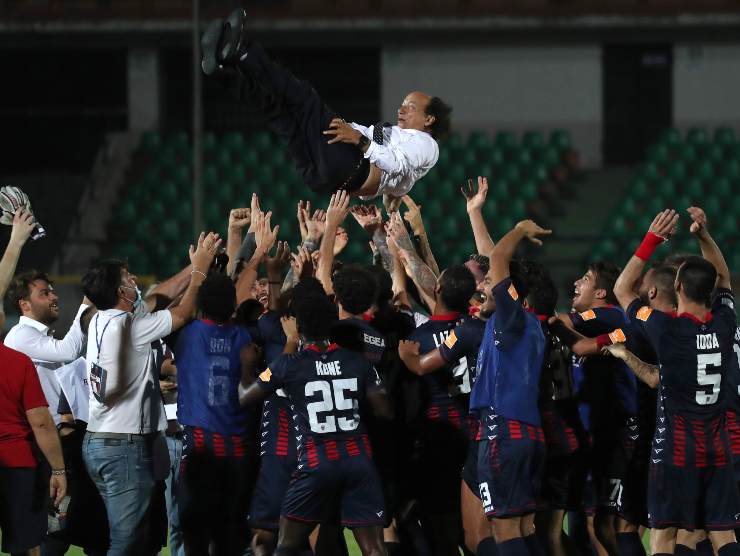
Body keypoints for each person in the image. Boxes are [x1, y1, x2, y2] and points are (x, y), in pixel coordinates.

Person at [201, 9, 451, 210]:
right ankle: (223, 72)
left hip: (348, 165)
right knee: (276, 110)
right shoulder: (398, 138)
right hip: (324, 176)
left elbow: (396, 165)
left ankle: (242, 52)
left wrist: (360, 141)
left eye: (411, 106)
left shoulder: (427, 144)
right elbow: (395, 175)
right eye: (403, 104)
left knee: (303, 97)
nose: (402, 108)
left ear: (429, 118)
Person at [80, 232, 221, 556]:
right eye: (129, 278)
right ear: (121, 291)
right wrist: (199, 273)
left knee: (143, 536)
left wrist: (195, 263)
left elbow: (157, 298)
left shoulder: (103, 320)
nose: (135, 281)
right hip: (125, 445)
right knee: (127, 542)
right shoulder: (131, 327)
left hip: (105, 439)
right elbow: (182, 312)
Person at [612, 208, 740, 556]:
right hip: (718, 448)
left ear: (678, 286)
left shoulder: (664, 330)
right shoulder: (725, 323)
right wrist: (702, 236)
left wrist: (652, 238)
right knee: (722, 534)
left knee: (664, 536)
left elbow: (622, 289)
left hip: (676, 449)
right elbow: (725, 279)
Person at [239, 285, 393, 556]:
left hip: (316, 462)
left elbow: (245, 396)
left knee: (286, 544)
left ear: (298, 327)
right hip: (359, 461)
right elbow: (384, 410)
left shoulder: (289, 364)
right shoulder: (357, 362)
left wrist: (247, 365)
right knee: (374, 549)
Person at [472, 219, 551, 556]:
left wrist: (519, 229)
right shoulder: (529, 324)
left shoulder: (510, 317)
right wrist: (475, 214)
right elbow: (496, 260)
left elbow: (498, 261)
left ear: (507, 291)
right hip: (530, 434)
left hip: (502, 432)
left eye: (488, 282)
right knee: (525, 526)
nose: (481, 287)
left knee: (503, 529)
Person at [397, 265, 488, 556]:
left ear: (437, 289)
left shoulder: (418, 338)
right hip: (475, 434)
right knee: (478, 527)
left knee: (441, 526)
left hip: (438, 439)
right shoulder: (478, 329)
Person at [557, 260, 638, 556]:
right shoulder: (593, 326)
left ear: (602, 292)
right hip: (587, 436)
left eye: (586, 279)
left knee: (600, 525)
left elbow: (566, 322)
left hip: (610, 435)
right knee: (580, 526)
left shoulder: (610, 314)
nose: (577, 283)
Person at [175, 272, 257, 555]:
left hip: (200, 446)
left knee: (194, 534)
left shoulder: (186, 334)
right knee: (229, 535)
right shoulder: (245, 337)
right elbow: (264, 380)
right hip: (237, 450)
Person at [0, 343, 67, 556]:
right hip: (18, 466)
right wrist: (58, 471)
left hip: (17, 464)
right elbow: (41, 422)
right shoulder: (17, 361)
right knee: (27, 545)